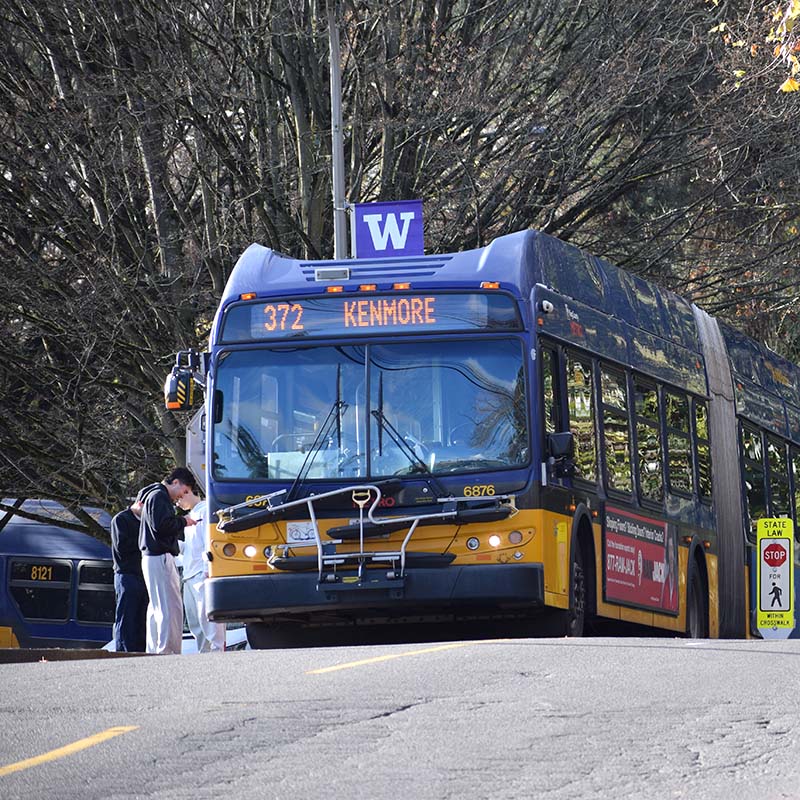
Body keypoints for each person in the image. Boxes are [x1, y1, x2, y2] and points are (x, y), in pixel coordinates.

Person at [138, 467, 197, 655]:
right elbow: (162, 526)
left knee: (157, 607)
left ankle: (156, 648)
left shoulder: (151, 495)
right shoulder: (159, 497)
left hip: (152, 557)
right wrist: (184, 521)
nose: (182, 496)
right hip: (159, 556)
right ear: (176, 482)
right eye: (184, 490)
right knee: (169, 607)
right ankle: (167, 650)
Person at [178, 490, 225, 652]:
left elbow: (209, 541)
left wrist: (208, 568)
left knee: (208, 619)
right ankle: (204, 655)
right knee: (195, 623)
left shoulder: (205, 510)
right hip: (189, 574)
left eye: (179, 498)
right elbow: (191, 548)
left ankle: (217, 651)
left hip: (201, 573)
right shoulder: (192, 514)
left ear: (187, 490)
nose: (177, 502)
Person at [110, 499, 148, 652]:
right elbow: (122, 546)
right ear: (140, 503)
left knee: (141, 616)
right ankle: (123, 650)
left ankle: (140, 649)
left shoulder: (145, 522)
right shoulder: (121, 519)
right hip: (126, 574)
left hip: (143, 574)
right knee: (127, 616)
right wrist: (145, 542)